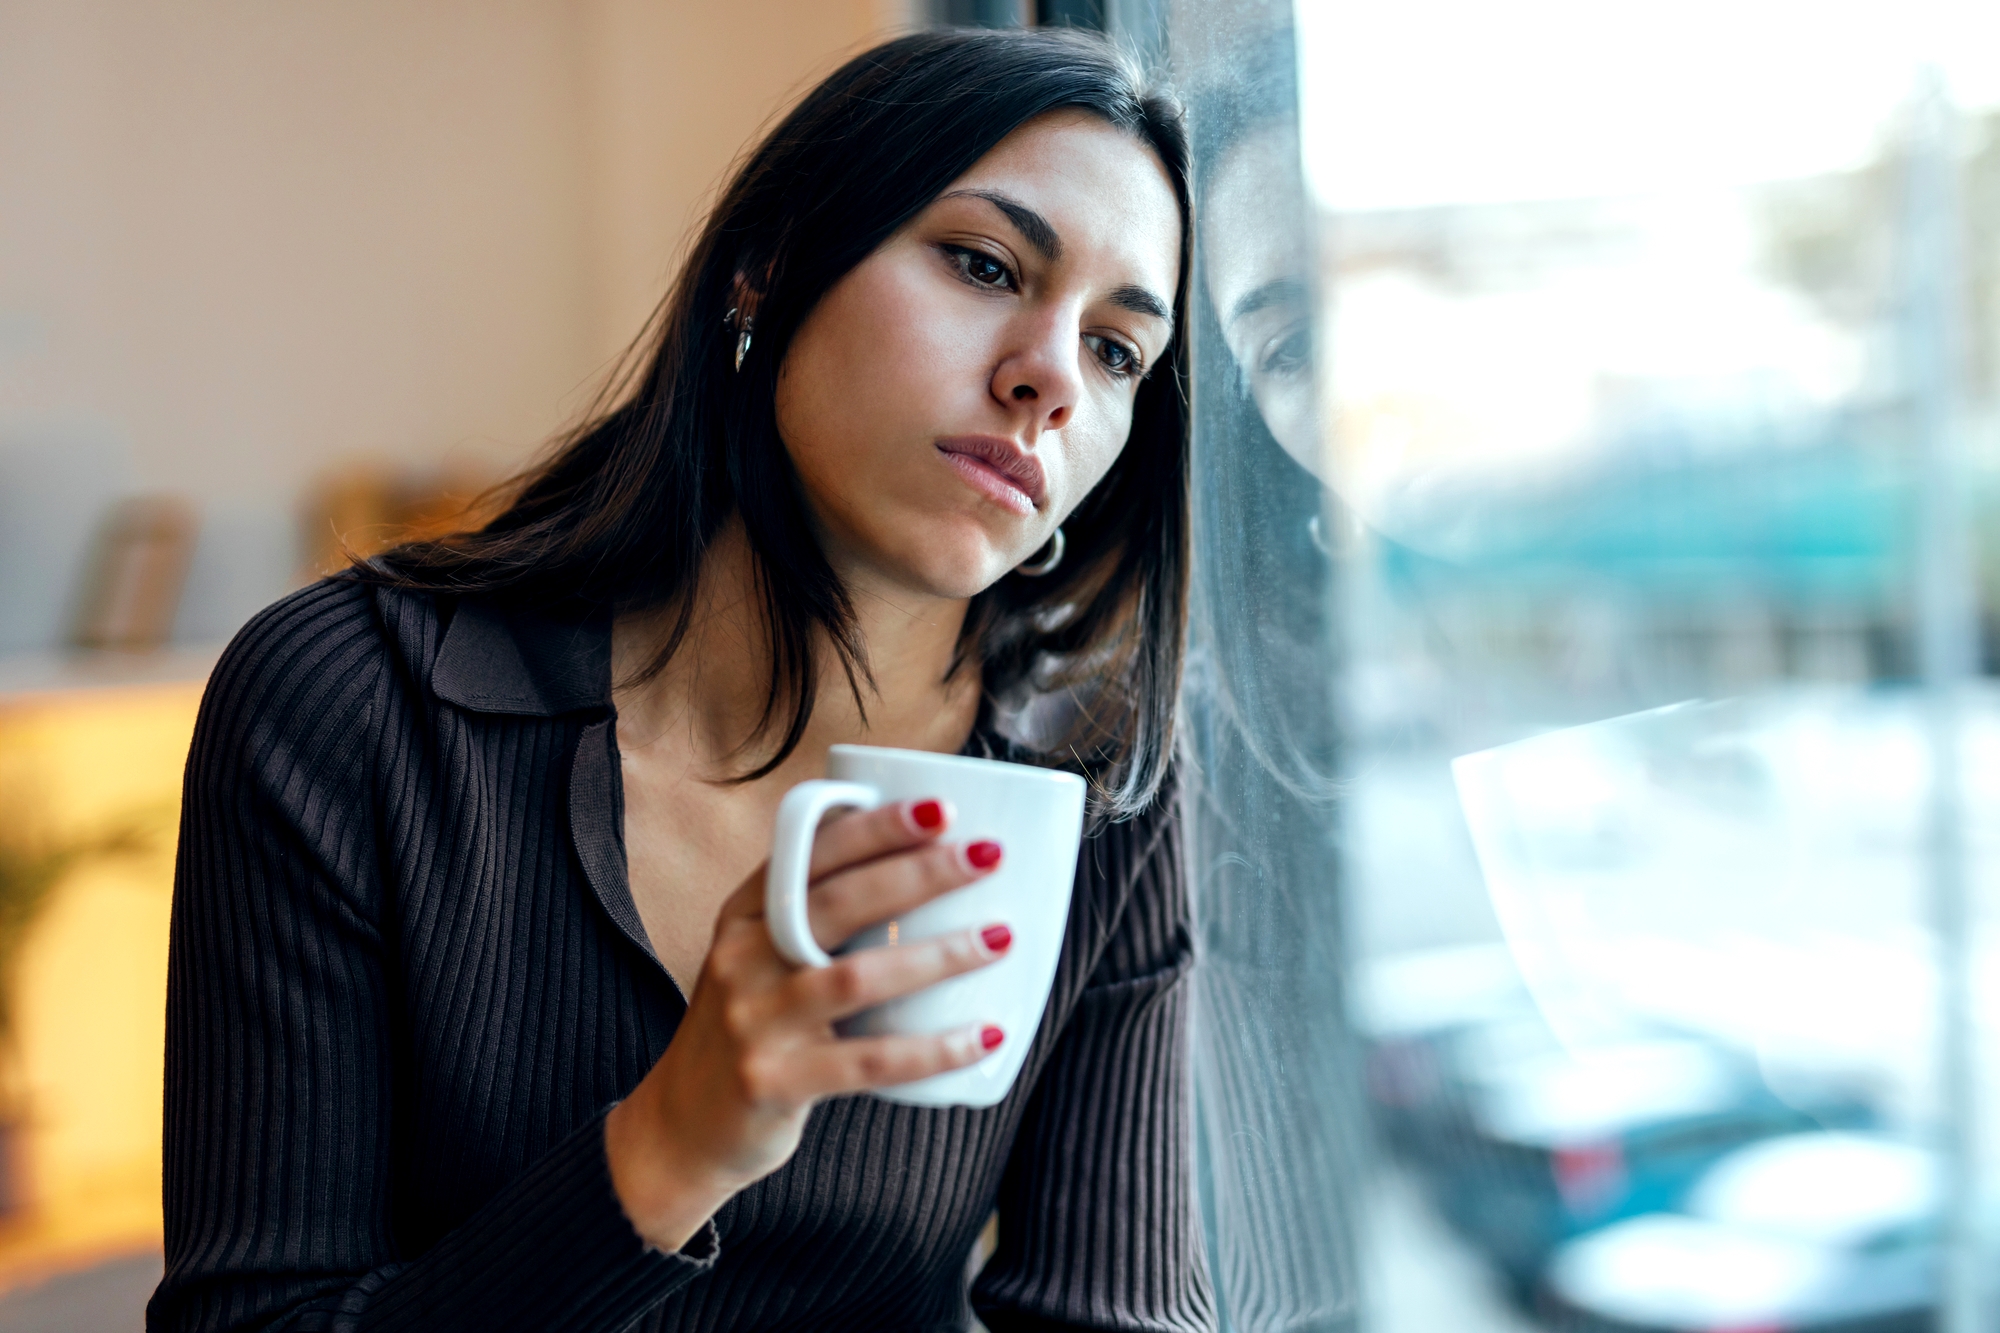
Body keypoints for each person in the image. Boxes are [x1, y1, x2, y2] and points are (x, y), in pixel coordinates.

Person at [146, 27, 1214, 1333]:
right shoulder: (347, 706)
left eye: (1117, 351)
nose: (1050, 375)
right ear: (767, 266)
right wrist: (668, 1149)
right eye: (986, 265)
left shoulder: (1091, 784)